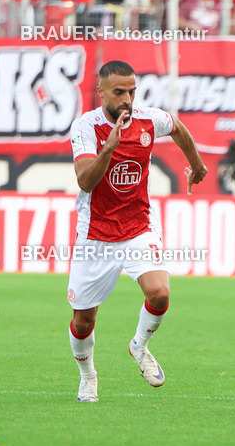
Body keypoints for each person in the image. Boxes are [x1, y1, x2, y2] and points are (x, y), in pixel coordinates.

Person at [67, 61, 208, 402]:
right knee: (84, 320)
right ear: (101, 92)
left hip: (138, 227)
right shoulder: (86, 127)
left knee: (160, 294)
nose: (127, 99)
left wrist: (198, 165)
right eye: (119, 92)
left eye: (132, 91)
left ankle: (139, 346)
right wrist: (110, 147)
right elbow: (85, 180)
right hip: (96, 233)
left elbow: (177, 128)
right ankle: (88, 376)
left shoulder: (147, 119)